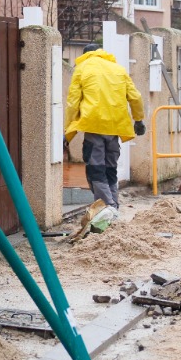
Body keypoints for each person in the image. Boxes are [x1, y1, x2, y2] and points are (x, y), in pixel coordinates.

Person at [65, 42, 146, 224]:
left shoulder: (82, 68)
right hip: (115, 126)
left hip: (93, 126)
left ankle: (107, 209)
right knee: (111, 168)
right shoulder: (118, 69)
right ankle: (113, 207)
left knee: (96, 169)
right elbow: (135, 97)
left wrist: (68, 133)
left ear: (85, 54)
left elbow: (73, 103)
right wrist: (139, 120)